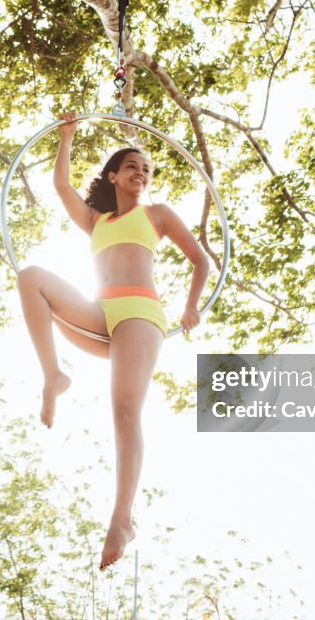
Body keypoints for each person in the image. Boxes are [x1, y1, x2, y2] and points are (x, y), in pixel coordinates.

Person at [16, 111, 210, 570]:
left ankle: (121, 519)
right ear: (113, 176)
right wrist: (67, 137)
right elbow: (61, 188)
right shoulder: (96, 221)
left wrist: (190, 306)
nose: (141, 174)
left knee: (124, 411)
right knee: (30, 278)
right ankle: (53, 375)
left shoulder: (157, 215)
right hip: (98, 314)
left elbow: (200, 262)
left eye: (147, 170)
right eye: (133, 168)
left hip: (140, 317)